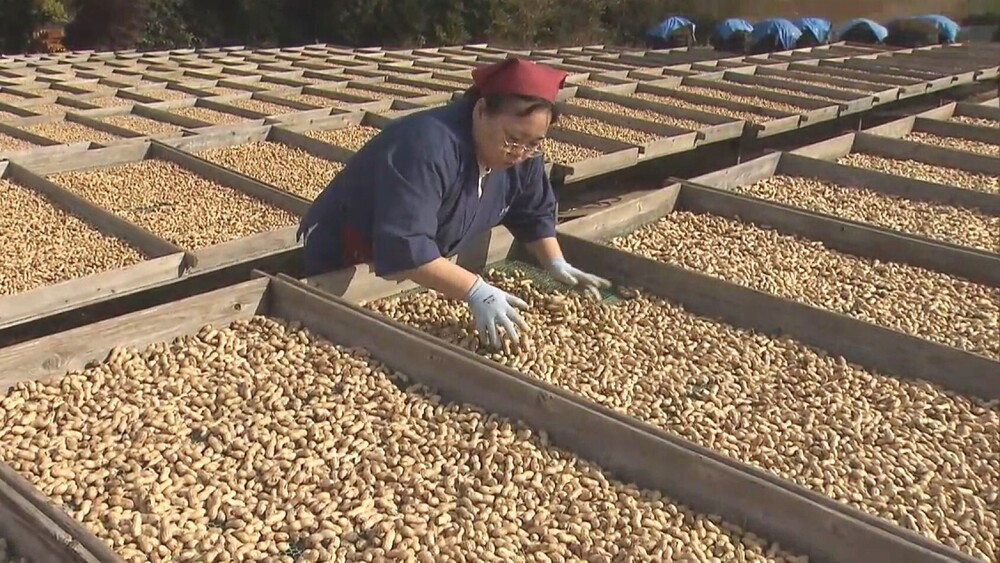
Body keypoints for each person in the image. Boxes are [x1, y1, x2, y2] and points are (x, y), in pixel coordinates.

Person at [297, 58, 611, 349]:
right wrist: (475, 290)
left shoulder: (522, 155)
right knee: (327, 330)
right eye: (513, 139)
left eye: (533, 143)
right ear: (480, 111)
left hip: (422, 261)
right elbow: (406, 243)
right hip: (347, 250)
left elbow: (533, 210)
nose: (520, 152)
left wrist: (555, 262)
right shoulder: (426, 146)